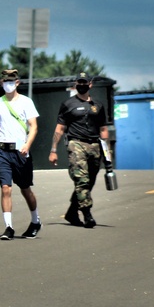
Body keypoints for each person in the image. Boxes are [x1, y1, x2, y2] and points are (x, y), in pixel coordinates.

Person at [49, 71, 111, 228]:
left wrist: (107, 155)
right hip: (76, 144)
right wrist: (53, 150)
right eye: (79, 83)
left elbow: (103, 130)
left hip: (95, 146)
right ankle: (87, 214)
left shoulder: (98, 105)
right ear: (76, 84)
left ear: (90, 84)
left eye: (85, 83)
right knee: (81, 179)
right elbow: (59, 129)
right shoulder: (68, 104)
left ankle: (71, 212)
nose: (82, 86)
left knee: (89, 181)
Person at [0, 68, 41, 240]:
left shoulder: (26, 102)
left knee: (25, 189)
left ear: (17, 83)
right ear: (1, 83)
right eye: (5, 82)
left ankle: (35, 220)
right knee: (5, 188)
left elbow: (34, 126)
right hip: (3, 150)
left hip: (20, 151)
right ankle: (8, 227)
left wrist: (27, 144)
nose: (8, 85)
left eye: (11, 82)